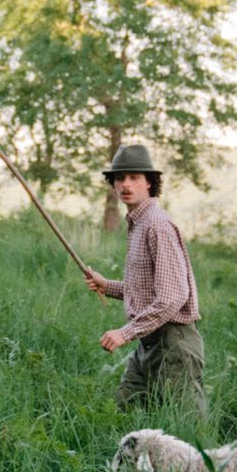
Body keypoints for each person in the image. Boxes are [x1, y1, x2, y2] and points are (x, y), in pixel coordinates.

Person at [83, 144, 206, 414]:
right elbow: (149, 290)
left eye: (134, 177)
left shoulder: (156, 224)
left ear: (150, 182)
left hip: (174, 343)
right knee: (122, 411)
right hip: (148, 341)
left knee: (186, 426)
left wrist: (124, 333)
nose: (125, 184)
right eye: (119, 178)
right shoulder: (138, 222)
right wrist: (107, 286)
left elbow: (172, 298)